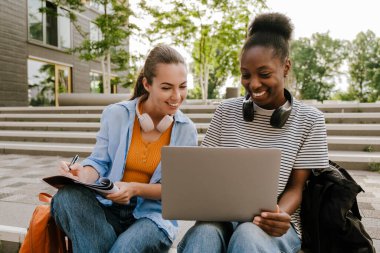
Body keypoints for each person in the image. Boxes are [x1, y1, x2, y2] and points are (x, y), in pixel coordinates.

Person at [178, 13, 329, 253]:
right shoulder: (225, 111)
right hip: (221, 217)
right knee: (204, 235)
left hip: (275, 222)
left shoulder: (310, 120)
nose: (254, 84)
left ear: (286, 66)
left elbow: (296, 188)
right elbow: (204, 174)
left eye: (264, 74)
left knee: (248, 234)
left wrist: (280, 214)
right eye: (246, 75)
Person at [51, 44, 198, 253]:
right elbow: (99, 161)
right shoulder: (115, 114)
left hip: (152, 217)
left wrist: (135, 188)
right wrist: (81, 173)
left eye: (182, 86)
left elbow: (177, 190)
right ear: (147, 84)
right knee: (66, 198)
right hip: (108, 205)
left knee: (123, 249)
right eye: (166, 88)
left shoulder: (186, 130)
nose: (177, 96)